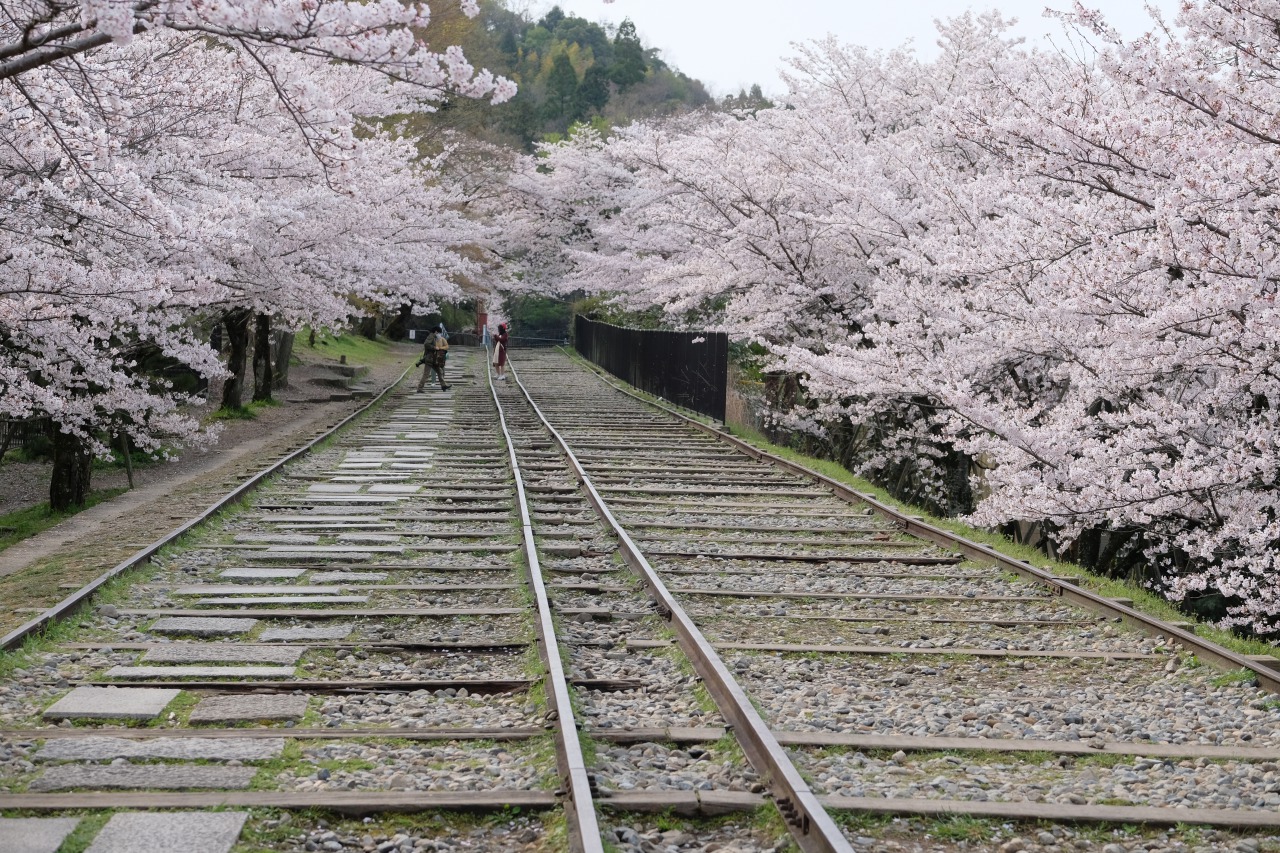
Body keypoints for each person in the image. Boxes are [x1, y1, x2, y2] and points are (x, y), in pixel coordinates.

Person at [416, 327, 450, 392]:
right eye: (439, 333)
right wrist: (434, 347)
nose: (439, 334)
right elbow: (426, 344)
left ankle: (443, 386)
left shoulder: (434, 336)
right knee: (426, 374)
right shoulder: (431, 336)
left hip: (433, 359)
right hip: (429, 358)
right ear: (436, 332)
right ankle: (419, 388)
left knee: (440, 372)